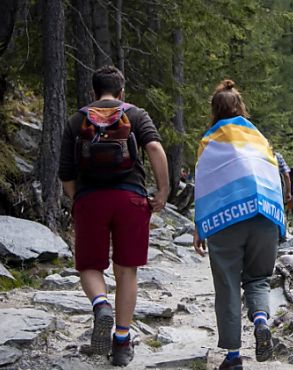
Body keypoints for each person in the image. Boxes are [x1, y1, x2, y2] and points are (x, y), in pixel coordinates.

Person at [58, 66, 169, 366]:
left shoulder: (77, 119)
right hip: (130, 199)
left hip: (91, 200)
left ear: (94, 92)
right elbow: (155, 148)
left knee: (90, 267)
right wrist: (163, 190)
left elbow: (66, 172)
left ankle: (100, 305)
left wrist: (77, 199)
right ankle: (121, 341)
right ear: (121, 92)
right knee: (126, 271)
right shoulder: (135, 115)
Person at [191, 80, 286, 369]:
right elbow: (274, 178)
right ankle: (260, 320)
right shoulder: (259, 138)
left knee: (228, 285)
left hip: (225, 219)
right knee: (257, 279)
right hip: (264, 215)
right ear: (241, 106)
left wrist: (200, 226)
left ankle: (233, 357)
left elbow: (205, 185)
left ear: (214, 110)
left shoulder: (209, 142)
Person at [274, 151, 292, 241]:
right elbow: (286, 175)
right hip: (276, 188)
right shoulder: (276, 156)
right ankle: (282, 236)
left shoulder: (254, 153)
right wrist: (288, 192)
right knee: (280, 211)